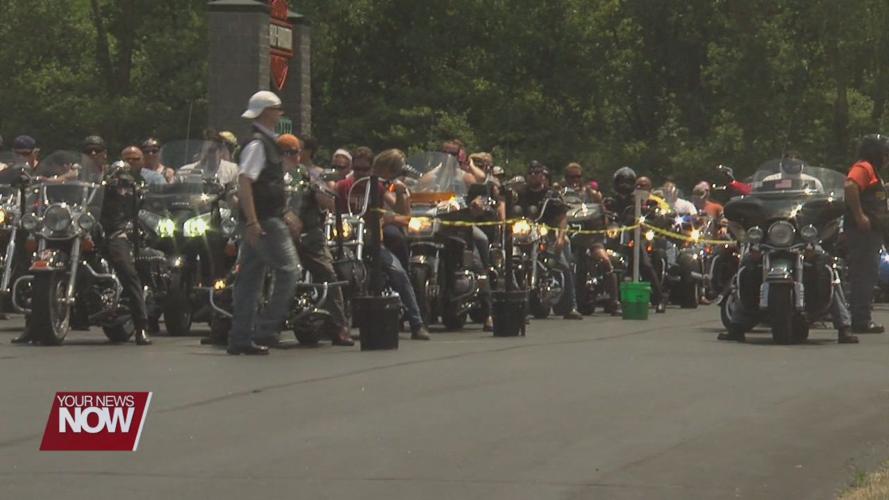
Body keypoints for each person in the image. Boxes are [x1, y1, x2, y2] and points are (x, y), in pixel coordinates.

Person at [228, 90, 301, 355]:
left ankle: (241, 337)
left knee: (249, 279)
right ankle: (266, 328)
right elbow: (245, 181)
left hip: (265, 219)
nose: (281, 113)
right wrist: (253, 221)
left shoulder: (268, 142)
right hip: (266, 221)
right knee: (290, 271)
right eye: (277, 109)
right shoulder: (259, 144)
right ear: (267, 112)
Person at [277, 134, 354, 347]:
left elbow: (329, 202)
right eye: (285, 152)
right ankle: (230, 321)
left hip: (307, 235)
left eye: (293, 151)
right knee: (247, 269)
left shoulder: (309, 174)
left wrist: (319, 189)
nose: (291, 156)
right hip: (276, 236)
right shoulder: (270, 176)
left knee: (327, 273)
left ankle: (339, 326)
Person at [358, 149, 431, 340]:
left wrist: (400, 194)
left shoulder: (381, 187)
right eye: (358, 168)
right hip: (348, 239)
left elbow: (403, 214)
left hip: (372, 239)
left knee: (399, 274)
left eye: (366, 168)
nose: (362, 172)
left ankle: (416, 322)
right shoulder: (347, 184)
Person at [516, 161, 584, 319]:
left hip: (547, 233)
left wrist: (560, 238)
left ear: (543, 175)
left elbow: (562, 217)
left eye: (537, 173)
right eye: (531, 173)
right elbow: (506, 203)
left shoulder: (551, 195)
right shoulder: (520, 193)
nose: (534, 176)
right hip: (523, 233)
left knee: (563, 265)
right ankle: (516, 304)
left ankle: (570, 306)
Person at [100, 142, 152, 346]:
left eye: (134, 160)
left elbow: (139, 202)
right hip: (94, 229)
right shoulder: (103, 180)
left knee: (126, 270)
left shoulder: (134, 185)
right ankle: (35, 325)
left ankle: (141, 326)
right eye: (126, 159)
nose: (129, 164)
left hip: (118, 231)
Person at [844, 134, 889, 334]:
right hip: (862, 232)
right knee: (863, 274)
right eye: (884, 152)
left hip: (872, 233)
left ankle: (861, 316)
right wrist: (860, 215)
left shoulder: (873, 172)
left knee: (868, 273)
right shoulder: (864, 167)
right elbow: (850, 186)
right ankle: (860, 320)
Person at [605, 166, 666, 313]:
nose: (624, 185)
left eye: (627, 182)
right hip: (613, 235)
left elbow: (650, 212)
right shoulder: (609, 200)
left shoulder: (638, 199)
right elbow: (602, 212)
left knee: (644, 263)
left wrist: (648, 211)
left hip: (634, 236)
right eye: (621, 181)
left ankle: (659, 298)